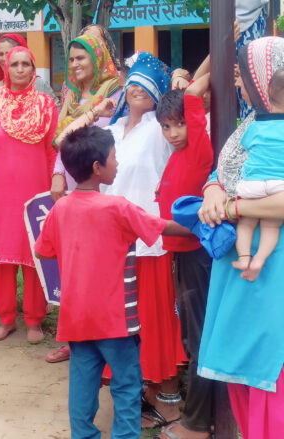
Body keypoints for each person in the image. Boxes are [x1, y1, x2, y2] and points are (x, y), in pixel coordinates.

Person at [35, 126, 189, 439]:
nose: (117, 163)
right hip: (117, 320)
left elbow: (43, 249)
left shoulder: (60, 208)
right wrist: (203, 225)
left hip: (76, 319)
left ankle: (84, 435)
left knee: (82, 384)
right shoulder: (118, 207)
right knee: (127, 385)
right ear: (97, 167)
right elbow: (162, 228)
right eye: (114, 157)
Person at [198, 36, 284, 439]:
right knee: (245, 375)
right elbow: (224, 173)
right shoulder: (250, 125)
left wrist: (233, 208)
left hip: (274, 275)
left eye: (245, 73)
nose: (240, 81)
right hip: (242, 271)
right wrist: (212, 189)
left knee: (272, 377)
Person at [103, 52, 188, 429]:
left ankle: (164, 391)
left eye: (147, 84)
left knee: (152, 315)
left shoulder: (159, 127)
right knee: (119, 319)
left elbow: (193, 98)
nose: (138, 88)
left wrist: (188, 75)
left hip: (148, 236)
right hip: (109, 238)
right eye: (133, 82)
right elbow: (66, 142)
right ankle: (132, 391)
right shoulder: (111, 128)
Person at [46, 34, 122, 364]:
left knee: (100, 265)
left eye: (82, 58)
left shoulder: (114, 94)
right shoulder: (71, 96)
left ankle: (104, 337)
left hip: (103, 188)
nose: (75, 64)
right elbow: (64, 141)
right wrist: (57, 172)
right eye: (72, 59)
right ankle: (75, 337)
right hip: (74, 189)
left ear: (98, 60)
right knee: (74, 264)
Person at [0, 46, 58, 344]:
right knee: (2, 257)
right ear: (6, 70)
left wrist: (54, 189)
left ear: (34, 69)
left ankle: (34, 319)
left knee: (34, 254)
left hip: (36, 192)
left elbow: (52, 151)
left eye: (26, 64)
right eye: (14, 65)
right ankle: (7, 318)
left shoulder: (47, 105)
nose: (20, 69)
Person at [154, 82, 215, 439]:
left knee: (199, 340)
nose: (174, 133)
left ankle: (196, 424)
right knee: (192, 338)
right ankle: (201, 417)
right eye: (166, 126)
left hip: (196, 258)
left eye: (180, 123)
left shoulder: (196, 151)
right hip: (181, 257)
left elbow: (192, 94)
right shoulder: (177, 156)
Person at [231, 68, 284, 281]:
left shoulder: (254, 126)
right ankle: (259, 260)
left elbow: (245, 146)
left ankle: (244, 258)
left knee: (246, 223)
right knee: (271, 224)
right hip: (279, 186)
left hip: (251, 183)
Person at [0, 34, 58, 104]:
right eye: (1, 54)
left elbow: (57, 113)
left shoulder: (39, 85)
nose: (4, 58)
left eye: (9, 53)